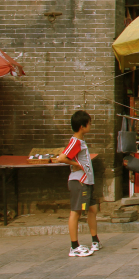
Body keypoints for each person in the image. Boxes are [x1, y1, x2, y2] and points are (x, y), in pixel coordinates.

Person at [55, 110, 99, 257]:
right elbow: (62, 158)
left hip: (87, 181)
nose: (90, 126)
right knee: (76, 212)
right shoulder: (75, 141)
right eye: (89, 124)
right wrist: (77, 164)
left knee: (92, 209)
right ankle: (74, 246)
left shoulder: (80, 141)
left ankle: (95, 240)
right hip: (79, 181)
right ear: (82, 126)